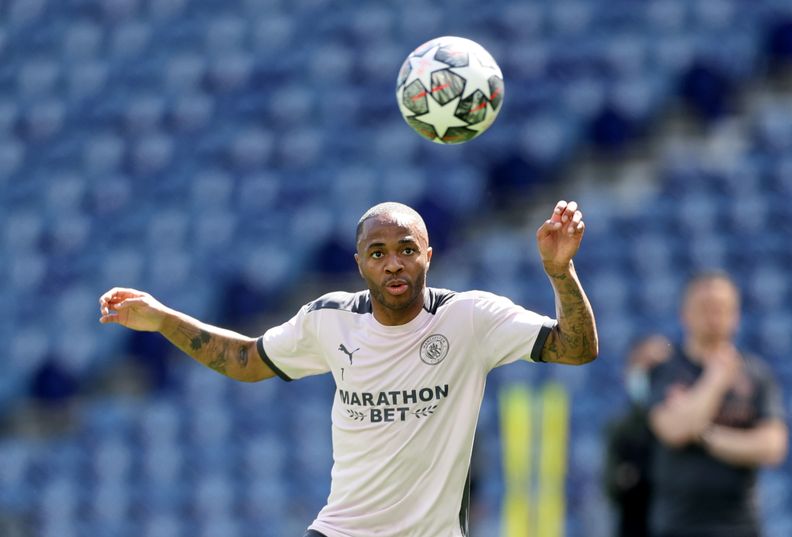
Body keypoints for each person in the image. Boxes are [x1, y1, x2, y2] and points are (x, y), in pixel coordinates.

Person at [98, 200, 599, 537]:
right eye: (378, 253)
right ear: (360, 263)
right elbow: (247, 360)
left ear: (428, 254)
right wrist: (164, 319)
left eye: (406, 250)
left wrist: (561, 272)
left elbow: (576, 349)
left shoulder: (469, 318)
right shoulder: (329, 319)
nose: (394, 264)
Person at [646, 271, 788, 537]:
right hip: (678, 525)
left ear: (736, 315)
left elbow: (772, 446)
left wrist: (706, 434)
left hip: (740, 525)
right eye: (705, 308)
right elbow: (673, 430)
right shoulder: (666, 370)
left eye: (723, 309)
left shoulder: (757, 374)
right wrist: (715, 380)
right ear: (684, 314)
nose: (714, 317)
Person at [604, 334, 671, 537]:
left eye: (656, 367)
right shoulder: (622, 429)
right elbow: (611, 486)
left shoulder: (694, 426)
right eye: (642, 366)